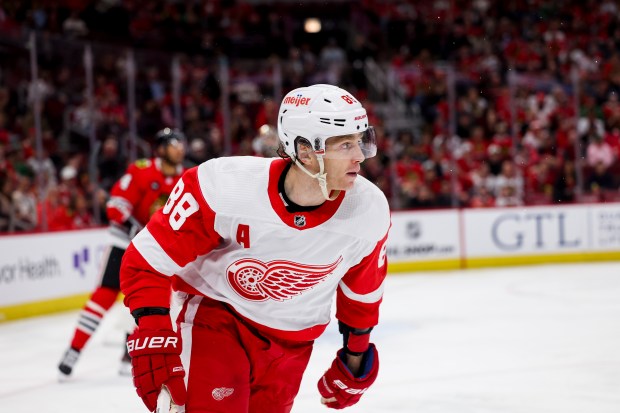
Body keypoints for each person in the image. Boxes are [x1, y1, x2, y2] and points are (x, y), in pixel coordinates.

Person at [120, 84, 391, 412]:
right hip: (217, 317)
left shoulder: (369, 209)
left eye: (361, 141)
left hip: (293, 345)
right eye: (346, 144)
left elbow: (361, 295)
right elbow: (146, 260)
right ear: (305, 151)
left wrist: (355, 355)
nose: (360, 156)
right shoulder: (223, 186)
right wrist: (154, 331)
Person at [58, 128, 186, 378]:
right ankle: (73, 350)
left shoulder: (186, 178)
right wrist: (137, 230)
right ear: (160, 149)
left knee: (147, 300)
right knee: (103, 297)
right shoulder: (141, 170)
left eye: (181, 143)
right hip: (124, 244)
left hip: (154, 251)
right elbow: (115, 206)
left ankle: (127, 354)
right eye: (173, 144)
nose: (180, 148)